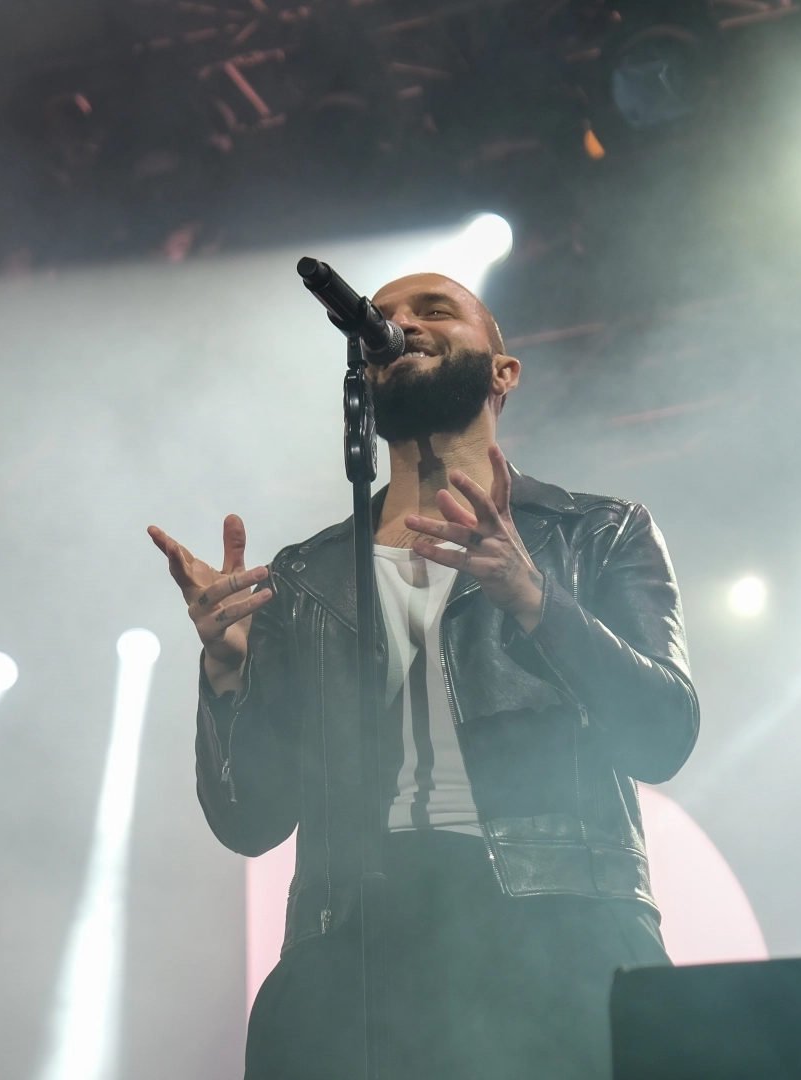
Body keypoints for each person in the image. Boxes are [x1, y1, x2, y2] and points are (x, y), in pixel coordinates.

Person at [148, 272, 699, 1079]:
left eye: (434, 311)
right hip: (354, 947)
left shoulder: (596, 532)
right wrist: (227, 672)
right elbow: (249, 821)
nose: (400, 323)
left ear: (504, 372)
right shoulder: (308, 575)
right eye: (385, 317)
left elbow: (662, 735)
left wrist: (534, 598)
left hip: (559, 930)